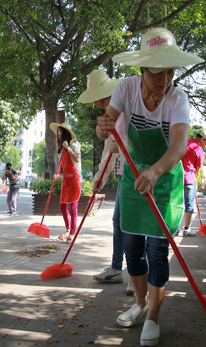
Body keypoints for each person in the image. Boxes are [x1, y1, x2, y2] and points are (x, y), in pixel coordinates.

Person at [97, 27, 204, 346]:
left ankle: (154, 317)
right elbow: (107, 127)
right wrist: (103, 127)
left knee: (158, 251)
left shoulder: (177, 98)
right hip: (132, 178)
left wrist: (156, 172)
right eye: (158, 72)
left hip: (165, 180)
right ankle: (141, 304)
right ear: (142, 69)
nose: (165, 79)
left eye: (170, 71)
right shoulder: (126, 89)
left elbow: (180, 145)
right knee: (132, 249)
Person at [77, 69, 135, 294]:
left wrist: (122, 147)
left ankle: (138, 273)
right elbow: (109, 148)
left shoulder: (129, 106)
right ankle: (116, 268)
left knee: (134, 224)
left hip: (140, 172)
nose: (100, 105)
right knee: (119, 220)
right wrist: (100, 176)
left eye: (101, 99)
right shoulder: (112, 114)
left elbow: (134, 141)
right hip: (124, 173)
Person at [50, 123, 82, 242]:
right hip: (66, 181)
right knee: (63, 207)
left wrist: (69, 148)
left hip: (75, 180)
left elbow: (77, 159)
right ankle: (68, 229)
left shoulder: (74, 144)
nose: (57, 134)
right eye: (57, 132)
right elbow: (63, 166)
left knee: (73, 208)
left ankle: (71, 233)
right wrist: (58, 174)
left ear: (66, 133)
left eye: (59, 131)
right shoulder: (60, 149)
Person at [180, 129, 206, 236]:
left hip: (176, 177)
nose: (205, 145)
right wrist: (195, 182)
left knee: (176, 203)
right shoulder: (199, 150)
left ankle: (173, 229)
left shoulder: (184, 141)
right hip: (189, 179)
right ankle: (186, 229)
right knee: (189, 204)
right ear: (202, 139)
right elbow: (197, 170)